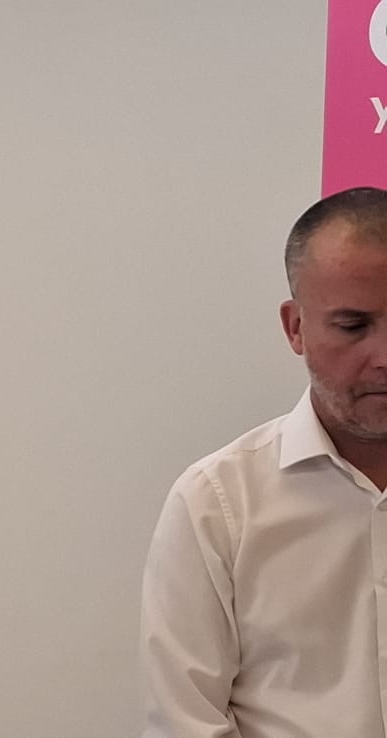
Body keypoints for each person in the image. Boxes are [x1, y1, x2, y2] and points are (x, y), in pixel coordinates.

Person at [141, 187, 387, 736]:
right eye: (353, 326)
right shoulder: (216, 503)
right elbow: (186, 722)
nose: (384, 357)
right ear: (295, 327)